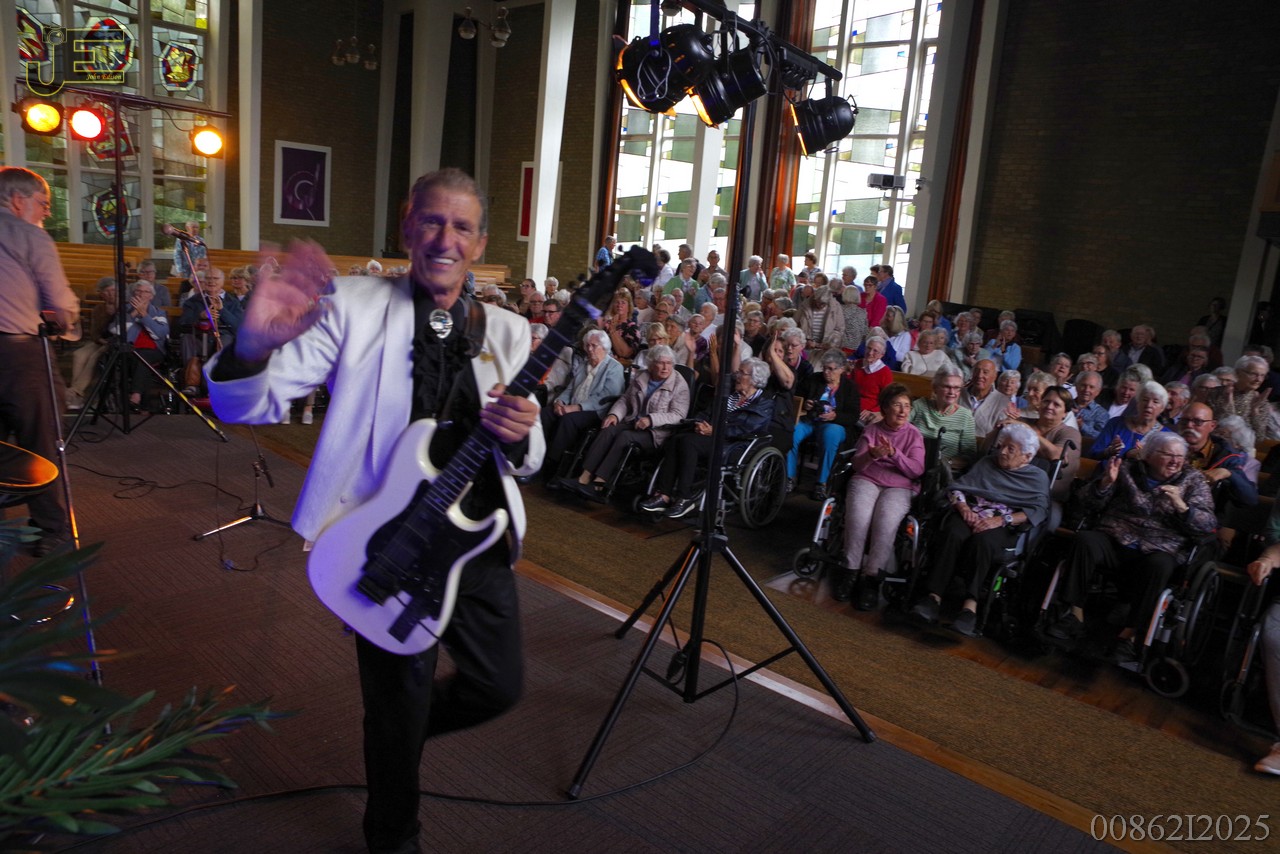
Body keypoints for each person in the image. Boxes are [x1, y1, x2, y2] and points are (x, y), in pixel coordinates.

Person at [206, 169, 542, 854]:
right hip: (383, 537)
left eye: (462, 227)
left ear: (481, 244)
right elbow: (251, 404)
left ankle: (395, 736)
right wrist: (252, 346)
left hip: (475, 539)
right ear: (406, 227)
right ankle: (393, 836)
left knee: (497, 686)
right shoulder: (351, 305)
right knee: (399, 691)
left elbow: (527, 453)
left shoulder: (507, 330)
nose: (445, 239)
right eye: (432, 221)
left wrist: (521, 433)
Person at [1045, 433, 1215, 665]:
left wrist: (1182, 507)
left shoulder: (1193, 480)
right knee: (1084, 541)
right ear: (1149, 456)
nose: (1175, 461)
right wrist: (1104, 485)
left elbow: (1207, 525)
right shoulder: (1126, 469)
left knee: (1160, 565)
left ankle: (1131, 634)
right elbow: (1086, 502)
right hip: (1116, 536)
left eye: (1180, 456)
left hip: (1160, 545)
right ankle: (1074, 614)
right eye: (1168, 454)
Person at [0, 166, 78, 555]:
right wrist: (64, 321)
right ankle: (50, 531)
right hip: (20, 355)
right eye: (43, 203)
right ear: (18, 200)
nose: (46, 212)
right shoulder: (30, 235)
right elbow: (61, 306)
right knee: (40, 441)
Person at [910, 422, 1051, 636]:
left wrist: (1001, 520)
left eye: (1010, 449)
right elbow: (957, 487)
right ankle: (933, 597)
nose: (1002, 451)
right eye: (1002, 445)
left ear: (1027, 456)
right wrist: (964, 507)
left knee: (983, 541)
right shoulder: (987, 463)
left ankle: (970, 607)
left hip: (1001, 522)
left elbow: (1038, 510)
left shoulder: (1037, 477)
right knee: (952, 533)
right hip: (970, 511)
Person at [638, 358, 774, 518]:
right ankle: (663, 495)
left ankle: (684, 497)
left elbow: (745, 429)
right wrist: (698, 423)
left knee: (688, 442)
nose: (737, 376)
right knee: (676, 439)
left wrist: (715, 431)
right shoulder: (731, 394)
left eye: (741, 373)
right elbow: (706, 412)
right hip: (710, 436)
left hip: (733, 444)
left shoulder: (763, 403)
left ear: (754, 379)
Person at [561, 344, 689, 500]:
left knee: (625, 437)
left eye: (669, 363)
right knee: (609, 429)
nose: (665, 367)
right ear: (651, 364)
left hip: (656, 433)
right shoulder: (642, 377)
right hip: (633, 421)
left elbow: (678, 415)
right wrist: (614, 415)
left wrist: (651, 419)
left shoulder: (679, 385)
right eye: (660, 363)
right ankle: (584, 477)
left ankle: (599, 484)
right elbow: (625, 400)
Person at [839, 383, 925, 608]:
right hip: (868, 479)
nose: (903, 411)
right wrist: (872, 455)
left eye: (907, 406)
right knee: (858, 519)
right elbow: (857, 465)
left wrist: (895, 454)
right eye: (897, 405)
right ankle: (849, 572)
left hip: (899, 486)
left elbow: (916, 470)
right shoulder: (872, 431)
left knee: (885, 523)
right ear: (885, 408)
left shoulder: (914, 435)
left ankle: (872, 579)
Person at [787, 350, 861, 500]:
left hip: (833, 424)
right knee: (792, 431)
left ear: (841, 369)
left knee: (830, 435)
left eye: (831, 369)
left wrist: (835, 416)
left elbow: (853, 416)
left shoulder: (850, 387)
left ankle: (821, 482)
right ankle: (789, 477)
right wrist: (805, 404)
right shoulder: (813, 379)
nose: (826, 372)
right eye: (824, 368)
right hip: (809, 420)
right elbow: (796, 397)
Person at [909, 363, 978, 472]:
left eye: (956, 388)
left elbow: (969, 456)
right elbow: (899, 428)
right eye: (947, 386)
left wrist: (945, 463)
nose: (952, 392)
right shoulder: (919, 405)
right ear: (935, 388)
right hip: (911, 465)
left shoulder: (965, 416)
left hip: (942, 473)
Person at [1088, 380, 1171, 459]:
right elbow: (1093, 454)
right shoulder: (1116, 423)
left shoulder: (1166, 436)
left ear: (1162, 408)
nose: (1149, 405)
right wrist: (1109, 451)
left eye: (1155, 402)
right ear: (1137, 403)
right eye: (1145, 400)